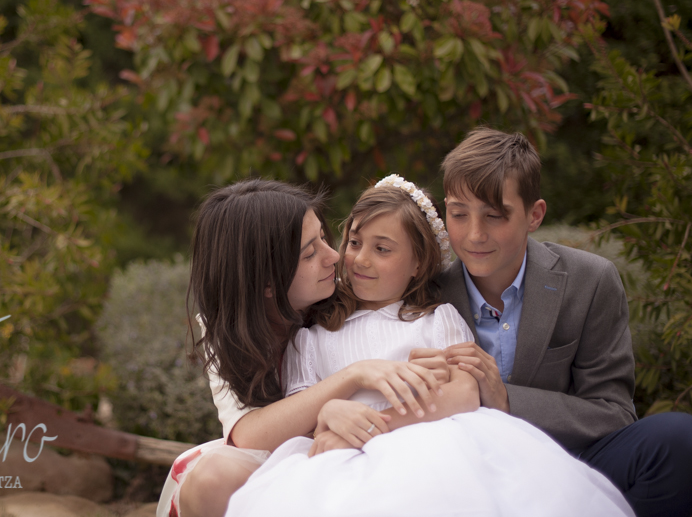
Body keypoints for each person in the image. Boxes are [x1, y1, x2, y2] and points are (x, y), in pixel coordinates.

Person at [225, 176, 633, 517]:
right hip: (338, 459)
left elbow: (463, 392)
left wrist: (373, 429)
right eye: (353, 242)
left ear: (418, 263)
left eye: (382, 249)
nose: (359, 259)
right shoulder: (313, 336)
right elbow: (304, 410)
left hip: (434, 448)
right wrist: (330, 411)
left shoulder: (436, 319)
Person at [416, 127, 692, 517]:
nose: (474, 234)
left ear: (534, 215)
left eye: (495, 215)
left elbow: (612, 412)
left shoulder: (591, 280)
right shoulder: (426, 288)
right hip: (464, 469)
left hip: (572, 461)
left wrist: (506, 400)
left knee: (678, 439)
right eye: (458, 213)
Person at [157, 179, 448, 517]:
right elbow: (246, 435)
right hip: (279, 450)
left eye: (324, 238)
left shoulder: (356, 295)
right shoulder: (225, 327)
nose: (335, 256)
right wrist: (353, 376)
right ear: (266, 282)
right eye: (310, 252)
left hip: (358, 440)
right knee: (210, 478)